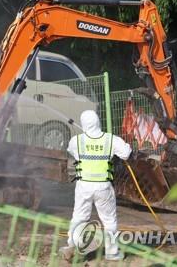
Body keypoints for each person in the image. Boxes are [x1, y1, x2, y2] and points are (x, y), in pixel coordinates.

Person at [59, 110, 131, 261]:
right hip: (103, 187)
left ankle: (72, 246)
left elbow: (72, 151)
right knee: (109, 220)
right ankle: (112, 253)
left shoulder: (76, 141)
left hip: (84, 186)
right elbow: (126, 153)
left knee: (79, 217)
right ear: (98, 122)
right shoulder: (110, 140)